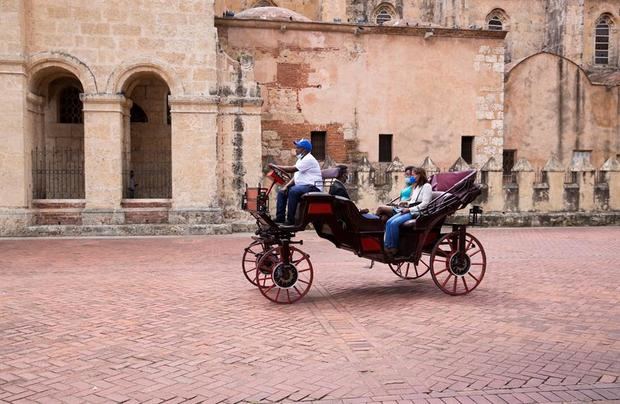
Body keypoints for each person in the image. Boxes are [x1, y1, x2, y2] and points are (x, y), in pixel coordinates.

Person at [270, 138, 323, 225]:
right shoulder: (301, 160)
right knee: (282, 192)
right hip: (304, 187)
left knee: (294, 191)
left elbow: (292, 169)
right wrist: (286, 186)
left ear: (304, 150)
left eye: (298, 147)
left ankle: (291, 220)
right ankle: (280, 218)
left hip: (313, 187)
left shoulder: (308, 159)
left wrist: (276, 166)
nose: (296, 150)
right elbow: (296, 177)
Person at [383, 167, 433, 256]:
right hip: (410, 209)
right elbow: (413, 201)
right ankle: (387, 246)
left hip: (417, 212)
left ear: (419, 175)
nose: (412, 177)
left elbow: (425, 203)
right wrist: (406, 202)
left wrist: (409, 209)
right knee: (389, 222)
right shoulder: (417, 186)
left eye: (413, 175)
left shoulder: (427, 186)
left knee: (394, 223)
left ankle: (393, 247)